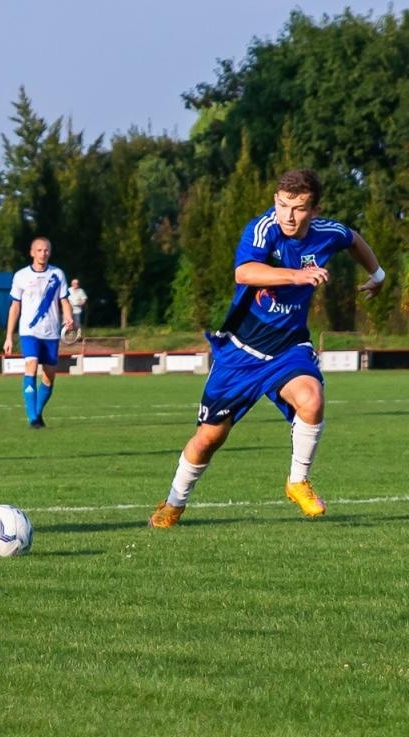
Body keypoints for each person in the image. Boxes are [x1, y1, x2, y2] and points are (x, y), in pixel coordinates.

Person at [150, 168, 386, 527]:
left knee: (313, 399)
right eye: (282, 204)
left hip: (289, 347)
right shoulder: (264, 229)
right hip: (242, 351)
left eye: (299, 208)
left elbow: (352, 238)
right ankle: (173, 504)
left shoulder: (326, 233)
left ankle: (297, 481)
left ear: (315, 209)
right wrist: (297, 276)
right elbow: (244, 272)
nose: (289, 215)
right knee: (208, 439)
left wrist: (379, 275)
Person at [3, 237, 75, 429]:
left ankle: (37, 411)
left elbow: (64, 301)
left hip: (51, 332)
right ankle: (32, 418)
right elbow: (15, 307)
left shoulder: (58, 274)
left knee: (49, 376)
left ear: (49, 253)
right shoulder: (21, 276)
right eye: (39, 250)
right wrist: (9, 336)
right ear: (32, 252)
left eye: (46, 250)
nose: (43, 253)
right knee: (32, 366)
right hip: (29, 331)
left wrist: (69, 318)